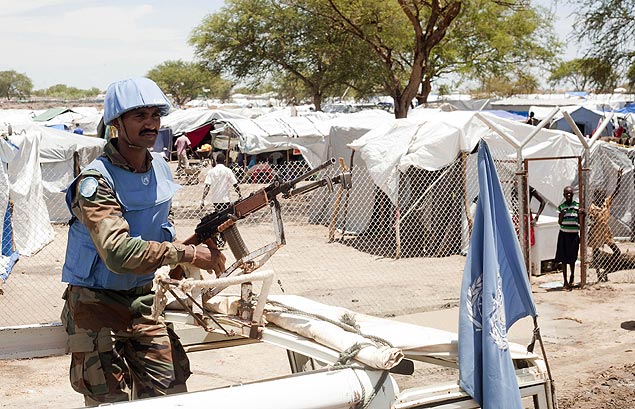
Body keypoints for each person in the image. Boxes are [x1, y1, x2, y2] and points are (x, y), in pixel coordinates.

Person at [60, 77, 227, 406]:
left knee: (169, 390)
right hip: (95, 305)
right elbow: (118, 254)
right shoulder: (96, 182)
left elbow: (163, 225)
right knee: (107, 398)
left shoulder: (162, 169)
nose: (150, 123)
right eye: (139, 116)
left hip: (142, 299)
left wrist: (191, 246)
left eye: (154, 115)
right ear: (116, 123)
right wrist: (189, 254)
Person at [588, 168, 623, 282]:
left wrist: (619, 178)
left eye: (602, 195)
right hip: (596, 232)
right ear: (594, 197)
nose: (600, 197)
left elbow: (616, 192)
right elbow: (590, 219)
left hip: (606, 231)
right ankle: (598, 274)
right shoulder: (592, 207)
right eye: (598, 195)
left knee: (617, 252)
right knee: (596, 254)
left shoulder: (606, 203)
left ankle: (606, 271)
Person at [555, 186, 584, 290]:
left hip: (574, 235)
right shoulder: (561, 207)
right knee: (563, 259)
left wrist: (582, 214)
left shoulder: (577, 206)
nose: (568, 195)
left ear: (573, 195)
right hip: (564, 234)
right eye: (567, 193)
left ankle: (572, 276)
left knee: (572, 258)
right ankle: (565, 281)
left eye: (570, 193)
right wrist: (562, 215)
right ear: (564, 195)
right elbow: (560, 222)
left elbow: (580, 221)